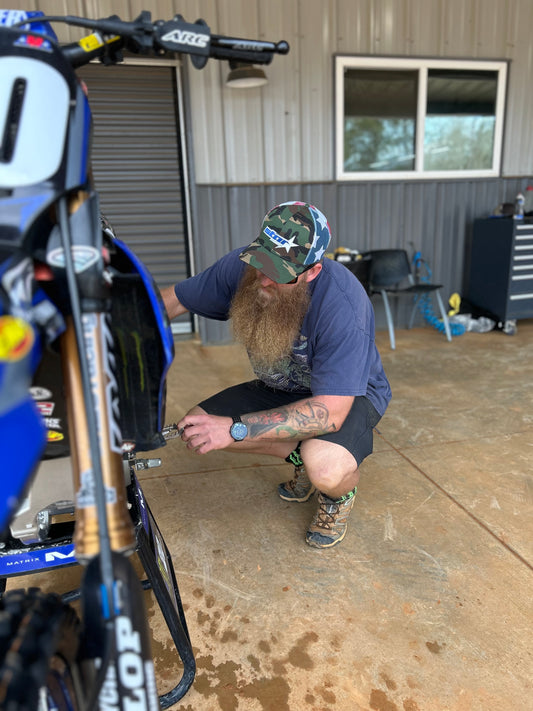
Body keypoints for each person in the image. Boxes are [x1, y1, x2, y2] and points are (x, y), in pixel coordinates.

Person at [161, 201, 391, 549]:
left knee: (325, 468)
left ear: (311, 271)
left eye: (279, 272)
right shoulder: (242, 268)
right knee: (197, 426)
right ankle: (300, 451)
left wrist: (235, 430)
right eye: (260, 264)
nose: (264, 280)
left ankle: (336, 495)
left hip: (347, 396)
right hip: (284, 386)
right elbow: (173, 300)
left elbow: (330, 412)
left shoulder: (344, 307)